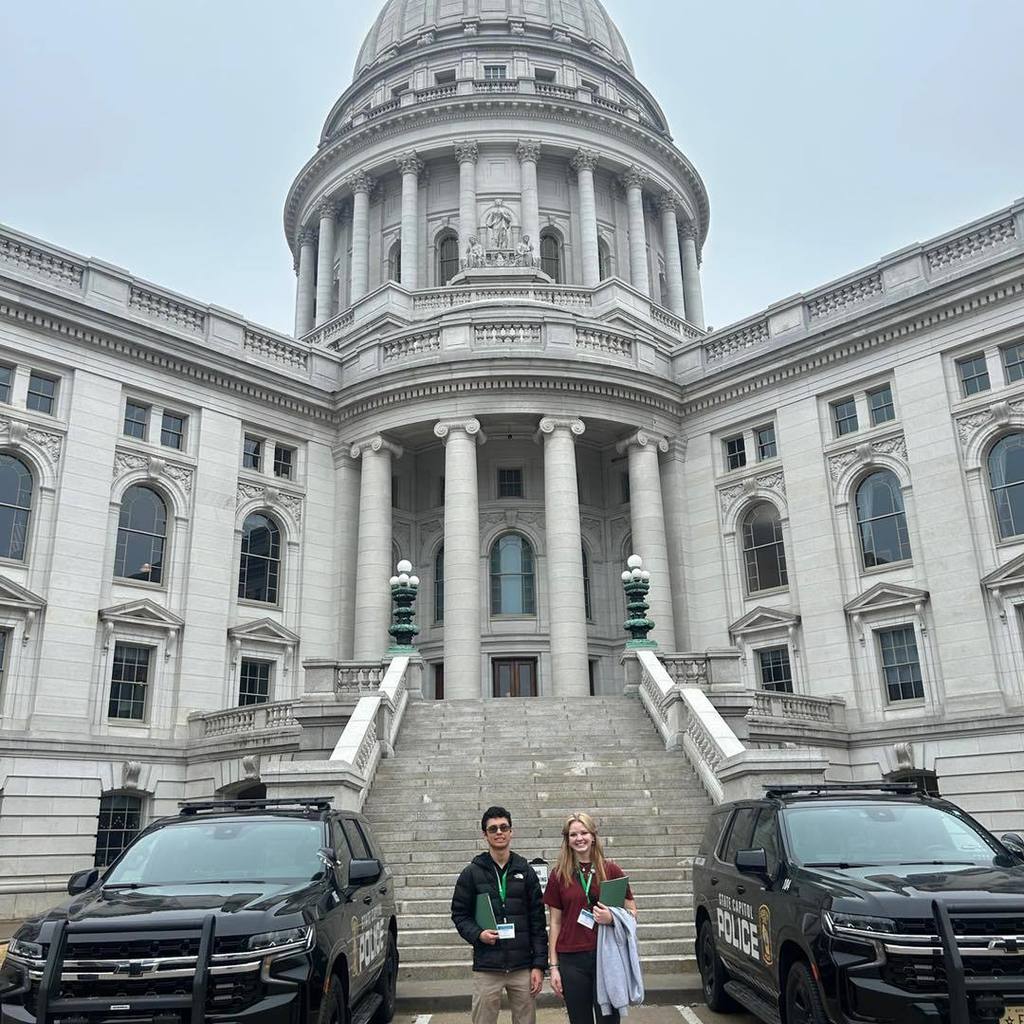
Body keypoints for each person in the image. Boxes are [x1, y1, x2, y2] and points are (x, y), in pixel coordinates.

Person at [451, 806, 548, 1024]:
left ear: (511, 831)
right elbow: (459, 914)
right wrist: (478, 934)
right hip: (488, 965)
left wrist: (539, 966)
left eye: (504, 827)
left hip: (522, 965)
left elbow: (538, 922)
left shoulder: (526, 871)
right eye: (492, 828)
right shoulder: (471, 873)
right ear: (485, 834)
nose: (499, 832)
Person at [543, 812, 637, 1024]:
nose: (579, 838)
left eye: (584, 832)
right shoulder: (559, 875)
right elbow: (555, 923)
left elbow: (632, 912)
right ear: (567, 840)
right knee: (580, 1020)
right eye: (573, 834)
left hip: (606, 956)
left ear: (593, 836)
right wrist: (554, 967)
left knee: (608, 1020)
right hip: (571, 959)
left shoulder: (610, 870)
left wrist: (611, 917)